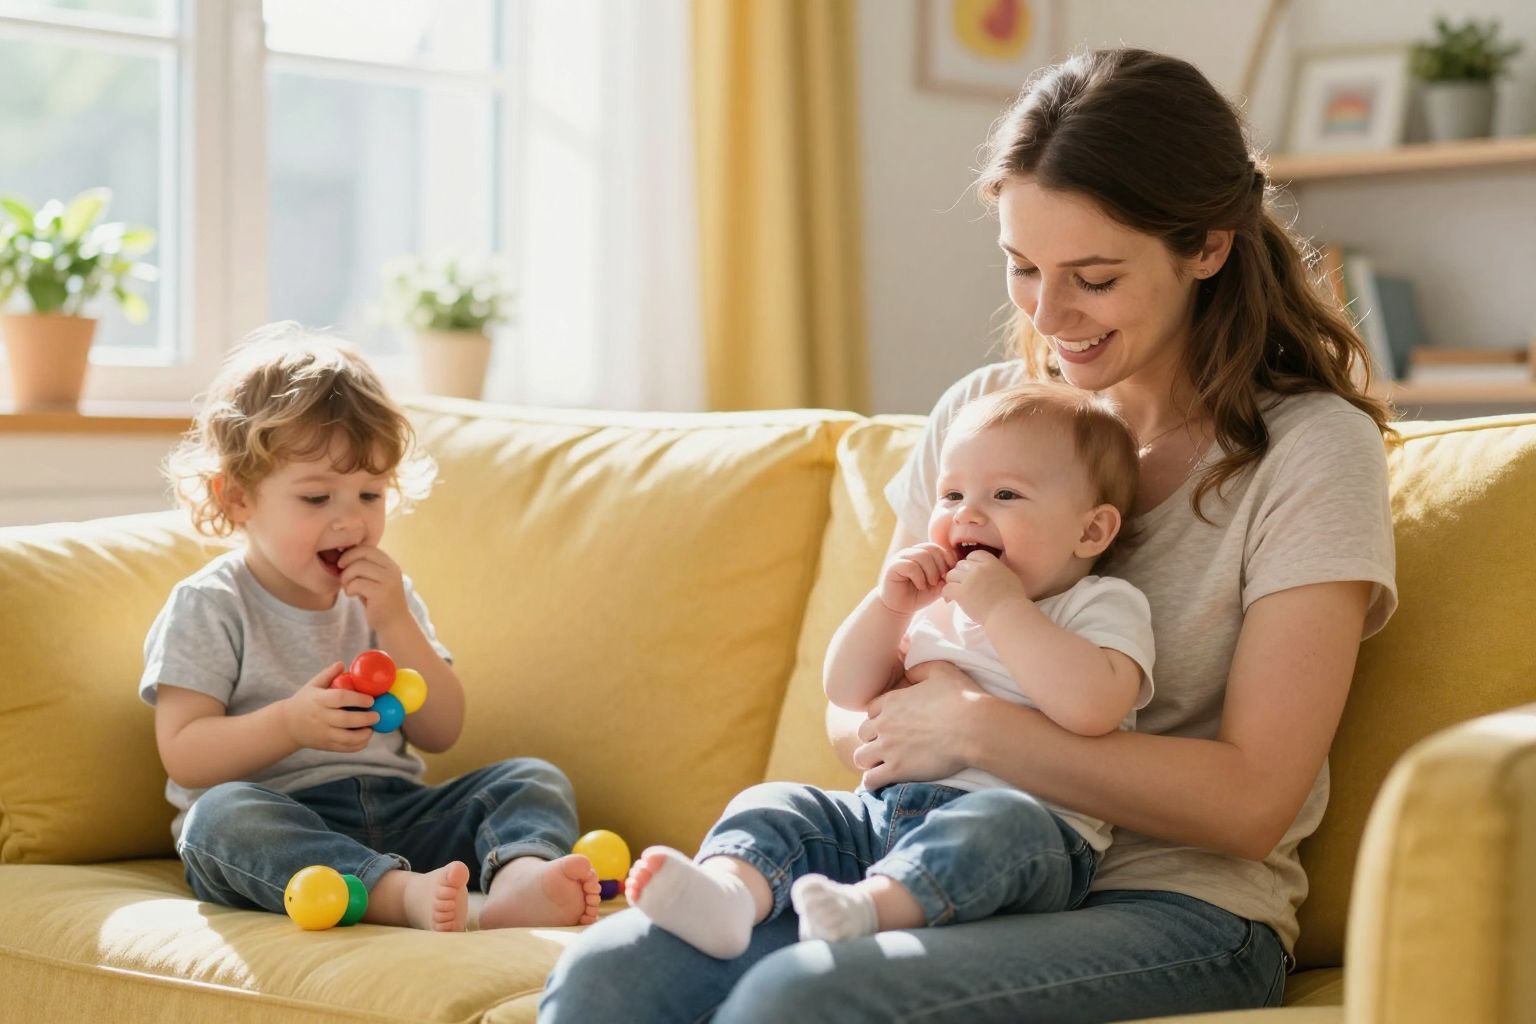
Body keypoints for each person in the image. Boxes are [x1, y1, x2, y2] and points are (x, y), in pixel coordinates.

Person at [540, 45, 1397, 1022]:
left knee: (800, 1001)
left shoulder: (1310, 449)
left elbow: (1252, 802)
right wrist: (914, 728)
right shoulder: (988, 419)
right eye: (1023, 266)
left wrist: (980, 727)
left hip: (1182, 907)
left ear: (1207, 246)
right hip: (921, 849)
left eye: (1094, 276)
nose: (1048, 311)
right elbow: (865, 711)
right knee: (609, 975)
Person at [625, 383, 1154, 959]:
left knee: (998, 824)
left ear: (1091, 531)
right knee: (780, 803)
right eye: (951, 494)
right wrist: (890, 605)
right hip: (882, 816)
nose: (967, 514)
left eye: (1005, 494)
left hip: (1029, 836)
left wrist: (1004, 610)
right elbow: (846, 691)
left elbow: (1093, 707)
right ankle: (731, 894)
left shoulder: (1099, 603)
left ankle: (872, 909)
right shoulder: (936, 605)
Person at [144, 324, 601, 932]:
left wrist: (394, 620)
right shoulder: (211, 605)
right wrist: (289, 723)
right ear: (237, 499)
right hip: (285, 828)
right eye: (316, 498)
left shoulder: (387, 598)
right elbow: (184, 754)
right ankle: (393, 894)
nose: (350, 521)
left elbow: (442, 731)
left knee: (530, 779)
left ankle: (520, 880)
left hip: (398, 810)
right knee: (217, 821)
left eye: (369, 494)